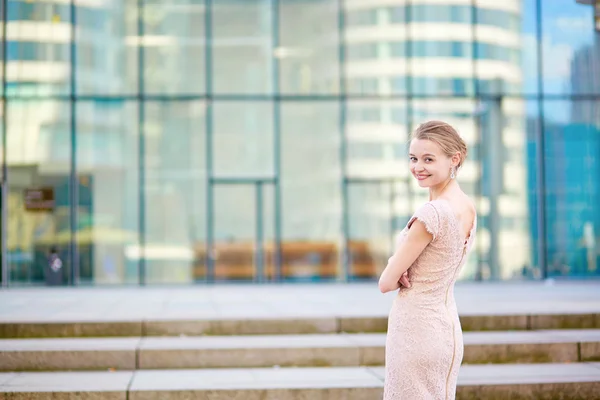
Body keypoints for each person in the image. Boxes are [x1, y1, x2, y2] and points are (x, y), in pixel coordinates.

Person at [378, 120, 477, 400]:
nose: (418, 167)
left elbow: (386, 282)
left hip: (415, 330)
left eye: (428, 159)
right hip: (447, 329)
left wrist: (395, 264)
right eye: (413, 158)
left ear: (453, 160)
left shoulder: (432, 213)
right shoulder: (467, 207)